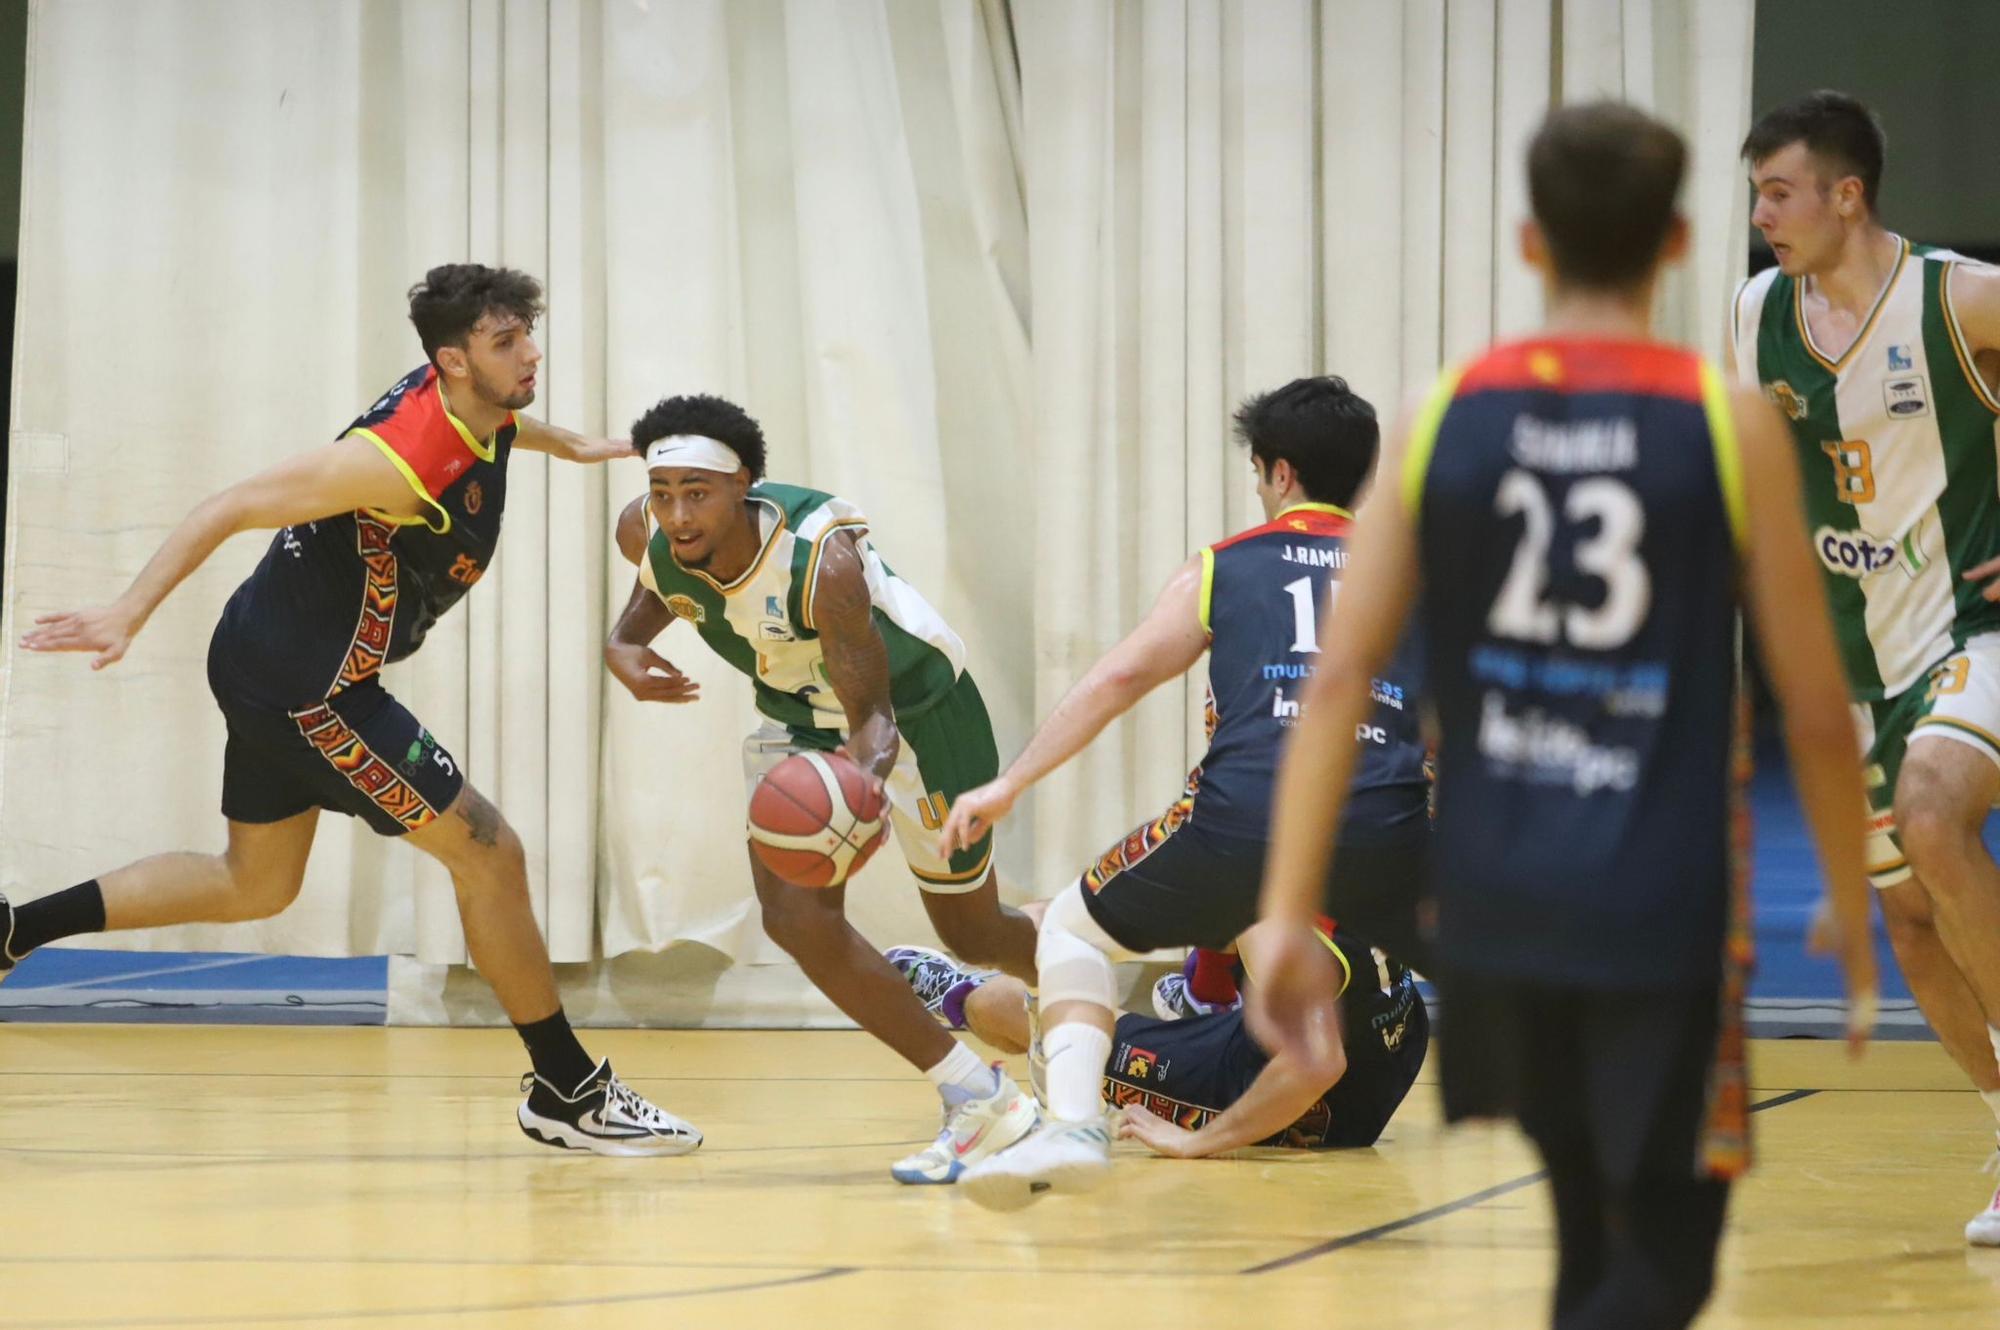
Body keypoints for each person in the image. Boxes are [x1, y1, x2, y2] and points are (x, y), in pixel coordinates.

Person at [1249, 103, 1877, 1330]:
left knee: (1589, 1232)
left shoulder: (1443, 415)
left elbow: (1336, 680)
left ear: (1531, 242)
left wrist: (1280, 910)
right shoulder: (1723, 419)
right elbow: (1810, 703)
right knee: (1665, 1267)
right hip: (1655, 903)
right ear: (1681, 240)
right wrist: (1850, 899)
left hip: (1493, 902)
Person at [9, 264, 698, 1156]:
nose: (530, 352)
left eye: (528, 332)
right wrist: (126, 613)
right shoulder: (396, 460)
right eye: (506, 343)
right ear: (452, 361)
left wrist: (571, 445)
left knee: (254, 883)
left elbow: (504, 423)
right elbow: (233, 504)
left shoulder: (467, 399)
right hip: (312, 689)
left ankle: (15, 930)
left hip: (264, 656)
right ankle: (568, 1089)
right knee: (490, 853)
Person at [936, 375, 1431, 1210]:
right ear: (1368, 478)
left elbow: (1123, 673)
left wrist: (1010, 782)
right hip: (1390, 825)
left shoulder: (1228, 565)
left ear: (1278, 475)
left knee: (1070, 928)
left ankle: (1075, 1123)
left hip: (1250, 815)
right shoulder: (1413, 580)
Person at [603, 393, 1040, 1184]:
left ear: (745, 487)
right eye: (662, 492)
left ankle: (1085, 998)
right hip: (799, 720)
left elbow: (874, 723)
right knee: (793, 917)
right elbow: (657, 587)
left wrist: (857, 794)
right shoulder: (648, 529)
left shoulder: (822, 562)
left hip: (917, 717)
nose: (675, 513)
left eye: (696, 494)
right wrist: (623, 644)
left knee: (974, 933)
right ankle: (979, 1096)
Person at [1732, 90, 2000, 1245]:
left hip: (1962, 627)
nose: (1760, 216)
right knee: (1904, 921)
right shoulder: (1755, 312)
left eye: (1778, 192)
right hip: (1844, 661)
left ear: (1847, 195)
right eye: (1752, 195)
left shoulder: (1955, 294)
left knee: (1937, 819)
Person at [888, 910, 1428, 1158]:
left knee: (1042, 1014)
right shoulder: (1356, 829)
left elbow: (1318, 1062)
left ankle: (958, 993)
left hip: (1296, 1095)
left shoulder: (1268, 900)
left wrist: (1198, 1141)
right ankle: (1201, 997)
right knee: (1059, 926)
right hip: (1391, 1043)